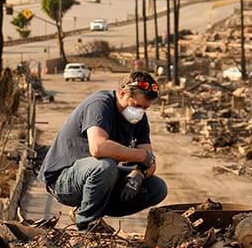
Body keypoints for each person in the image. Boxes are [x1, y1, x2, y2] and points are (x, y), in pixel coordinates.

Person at [40, 70, 168, 229]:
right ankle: (86, 225)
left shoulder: (139, 119)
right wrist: (141, 156)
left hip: (97, 179)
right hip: (64, 180)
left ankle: (90, 210)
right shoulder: (100, 104)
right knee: (105, 166)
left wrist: (139, 174)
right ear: (122, 94)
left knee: (157, 187)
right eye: (136, 105)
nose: (140, 111)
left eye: (145, 108)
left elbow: (151, 161)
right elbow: (98, 148)